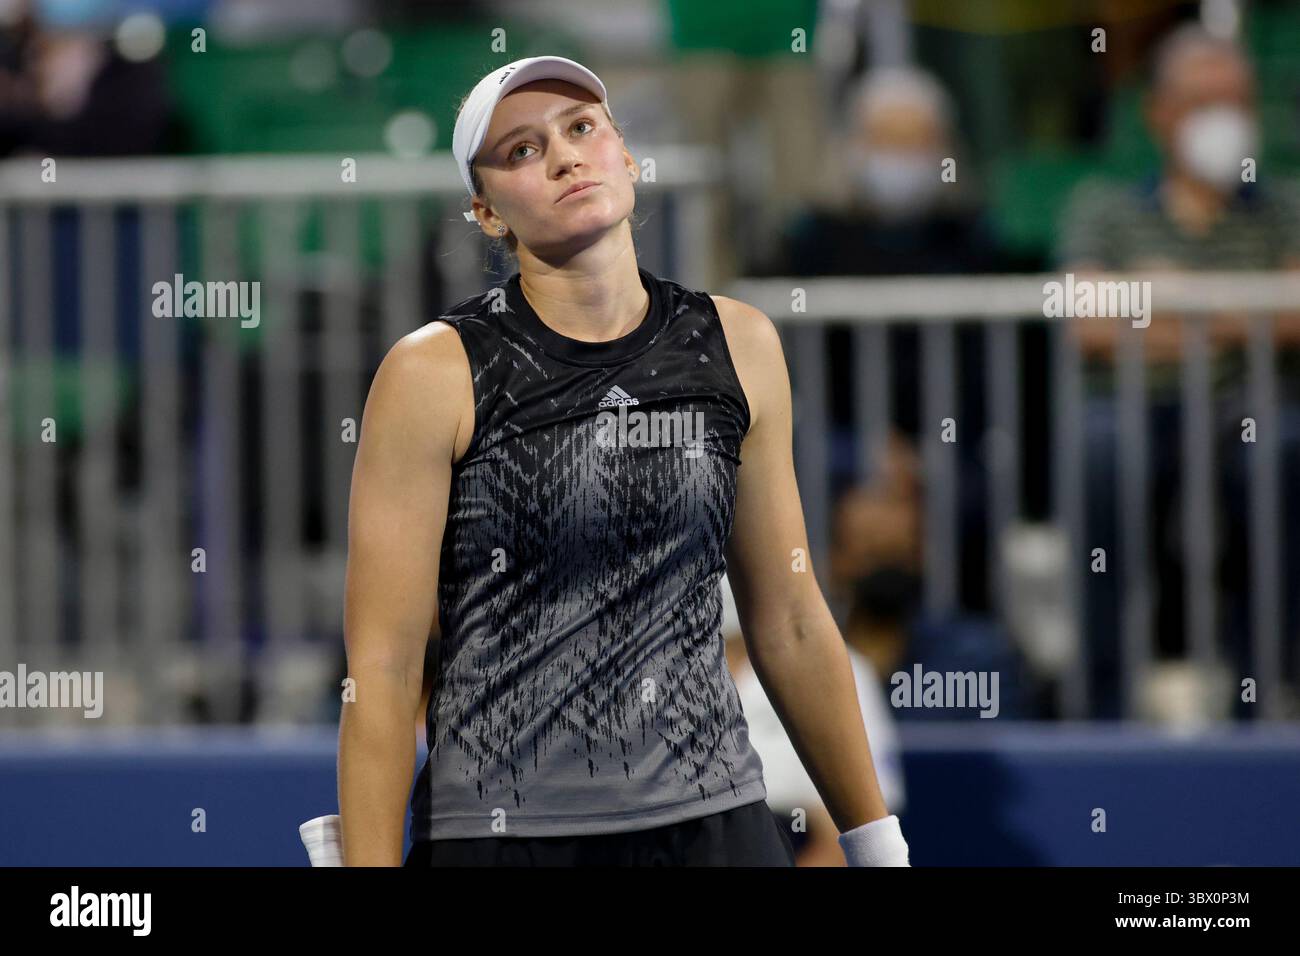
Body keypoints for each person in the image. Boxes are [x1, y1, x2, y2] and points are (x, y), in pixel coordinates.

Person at [336, 55, 910, 866]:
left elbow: (788, 618)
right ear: (486, 211)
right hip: (505, 838)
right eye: (523, 151)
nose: (566, 156)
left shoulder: (739, 344)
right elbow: (385, 668)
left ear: (626, 156)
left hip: (715, 823)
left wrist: (879, 845)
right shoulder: (432, 373)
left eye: (582, 129)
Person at [1056, 23, 1300, 718]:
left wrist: (1170, 299)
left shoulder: (1285, 208)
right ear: (1159, 114)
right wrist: (1242, 313)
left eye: (1237, 101)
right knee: (1104, 454)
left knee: (1279, 450)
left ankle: (1267, 687)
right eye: (1202, 102)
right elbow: (1091, 325)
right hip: (1132, 404)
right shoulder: (1104, 209)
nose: (1223, 120)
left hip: (1250, 404)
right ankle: (1103, 696)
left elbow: (1296, 315)